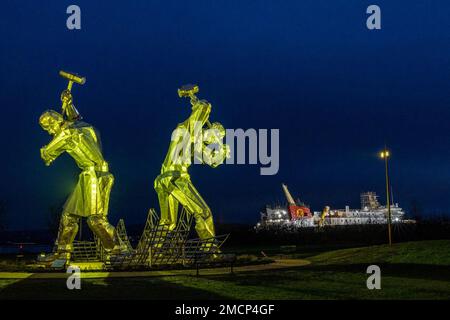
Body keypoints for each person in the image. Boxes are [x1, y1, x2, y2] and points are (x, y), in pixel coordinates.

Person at [39, 94, 124, 263]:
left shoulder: (67, 133)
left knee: (96, 219)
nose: (49, 132)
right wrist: (69, 104)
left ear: (54, 122)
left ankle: (117, 251)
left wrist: (45, 149)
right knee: (68, 216)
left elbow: (47, 154)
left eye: (48, 128)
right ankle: (62, 254)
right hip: (90, 175)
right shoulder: (81, 125)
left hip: (95, 176)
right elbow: (75, 117)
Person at [154, 84, 229, 243]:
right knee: (203, 213)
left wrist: (222, 153)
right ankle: (211, 251)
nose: (213, 140)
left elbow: (212, 161)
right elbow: (204, 107)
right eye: (215, 135)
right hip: (177, 178)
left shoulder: (195, 142)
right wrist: (195, 99)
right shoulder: (187, 129)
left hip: (163, 180)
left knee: (168, 223)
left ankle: (150, 253)